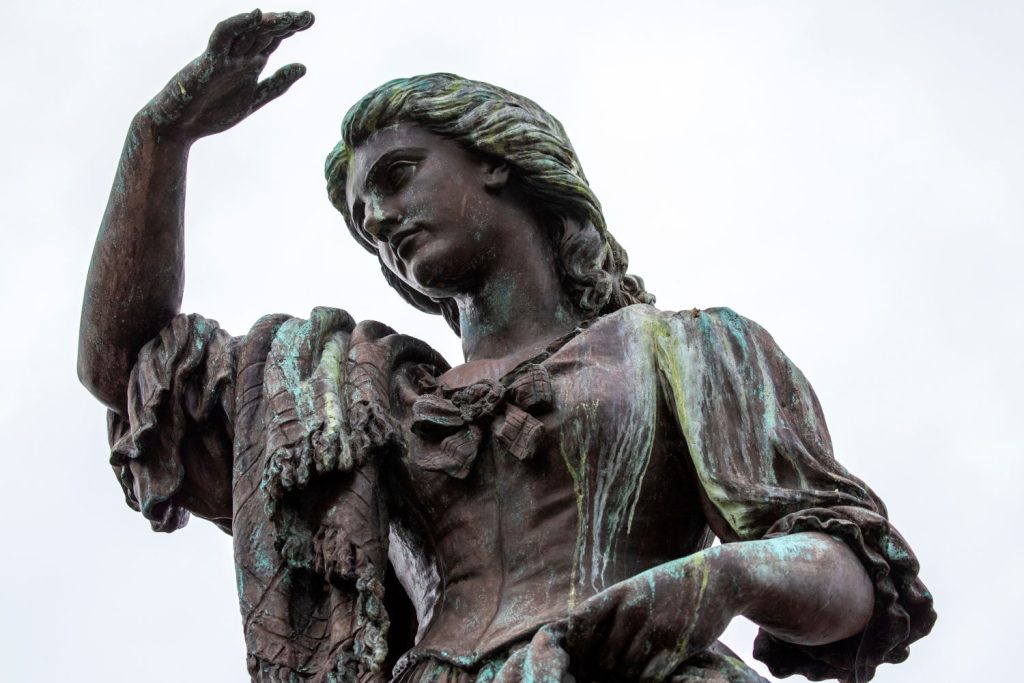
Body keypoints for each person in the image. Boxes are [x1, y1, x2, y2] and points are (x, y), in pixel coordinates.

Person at [78, 10, 935, 683]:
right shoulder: (369, 396)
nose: (377, 220)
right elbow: (123, 369)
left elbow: (853, 577)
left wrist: (726, 578)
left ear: (496, 159)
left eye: (396, 175)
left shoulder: (689, 349)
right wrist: (161, 137)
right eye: (361, 217)